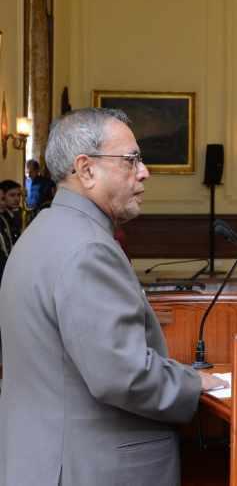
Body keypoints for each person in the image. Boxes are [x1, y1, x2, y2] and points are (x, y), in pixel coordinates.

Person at [0, 108, 225, 486]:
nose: (144, 171)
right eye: (131, 160)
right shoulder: (88, 248)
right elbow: (123, 376)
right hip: (90, 465)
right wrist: (193, 383)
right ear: (86, 170)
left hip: (42, 456)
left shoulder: (43, 231)